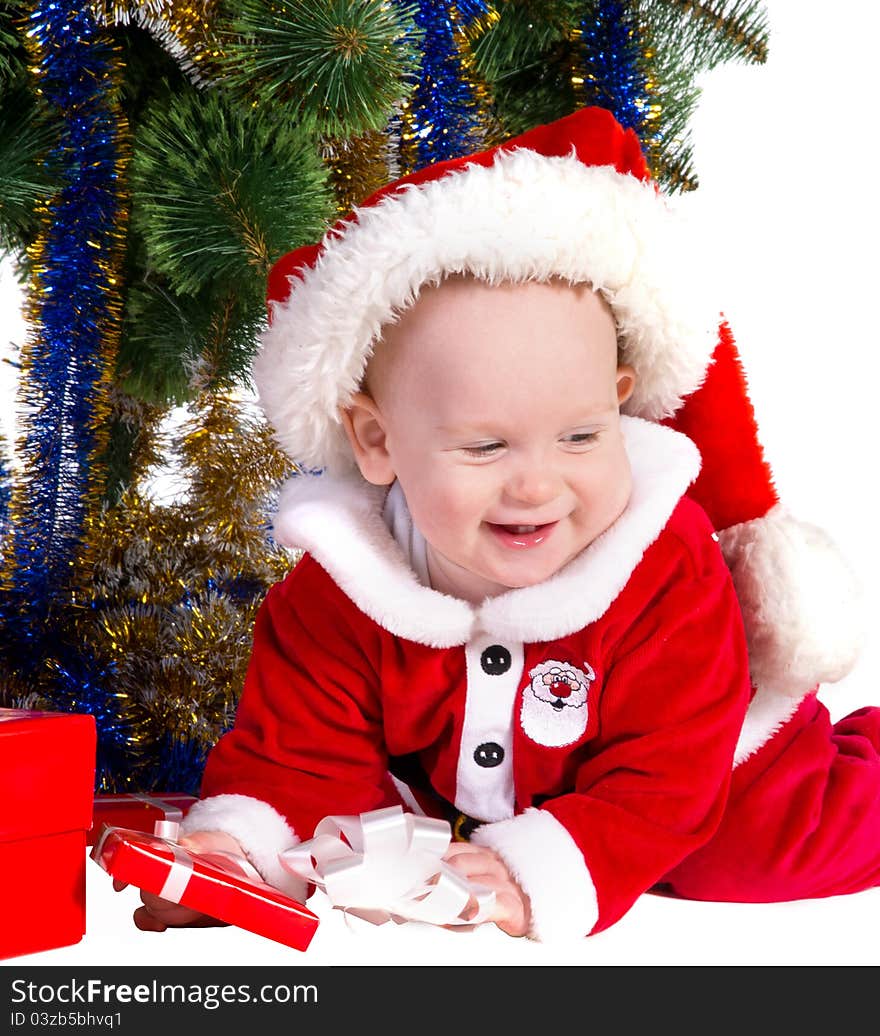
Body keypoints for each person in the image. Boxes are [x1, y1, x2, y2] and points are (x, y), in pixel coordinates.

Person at [121, 106, 878, 943]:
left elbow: (666, 775)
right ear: (378, 441)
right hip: (480, 790)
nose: (539, 485)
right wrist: (243, 850)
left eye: (584, 436)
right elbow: (299, 748)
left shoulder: (662, 568)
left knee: (754, 852)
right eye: (486, 446)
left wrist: (540, 869)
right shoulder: (342, 589)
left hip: (705, 760)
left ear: (620, 402)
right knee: (363, 835)